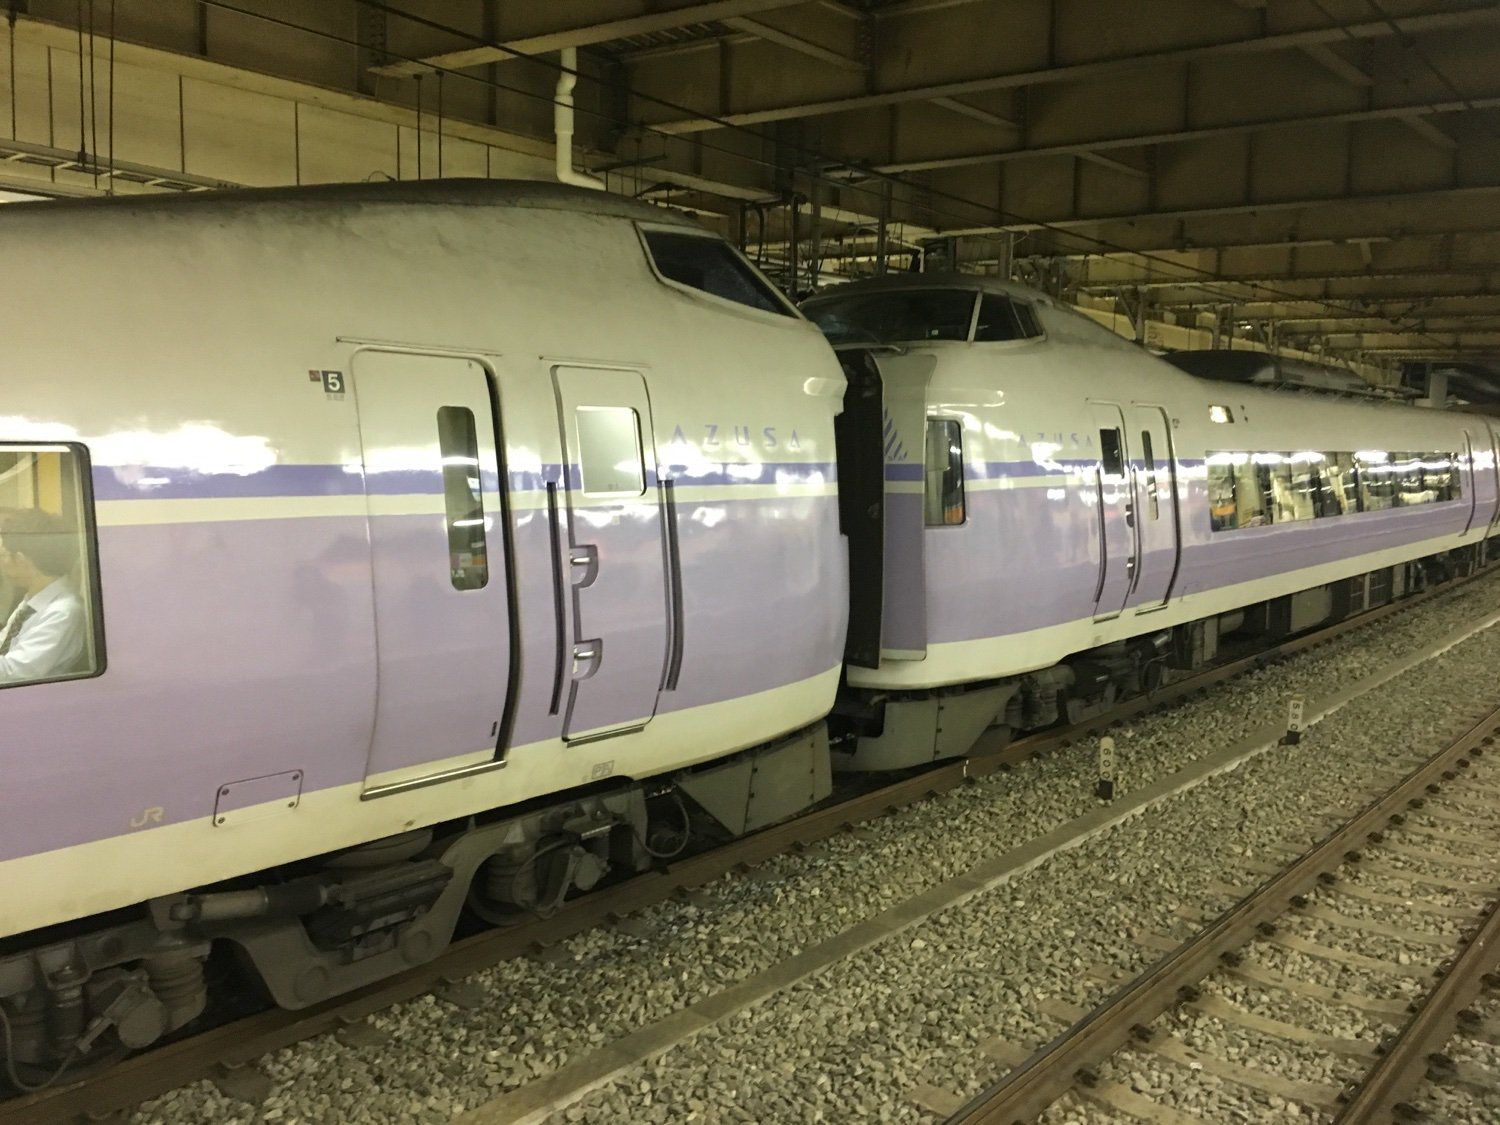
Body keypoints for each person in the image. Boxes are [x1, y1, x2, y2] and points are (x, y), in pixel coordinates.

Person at [0, 509, 88, 684]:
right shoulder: (32, 602)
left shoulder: (64, 611)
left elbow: (12, 672)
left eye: (2, 555)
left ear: (20, 559)